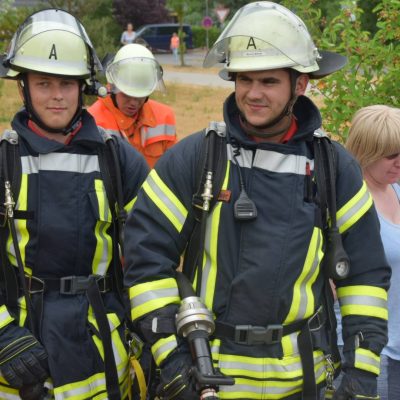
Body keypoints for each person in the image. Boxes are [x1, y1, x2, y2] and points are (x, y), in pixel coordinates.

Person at [123, 2, 390, 399]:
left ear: (300, 84)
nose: (252, 94)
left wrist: (361, 374)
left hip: (305, 380)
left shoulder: (334, 169)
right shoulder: (196, 158)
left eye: (268, 81)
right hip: (209, 379)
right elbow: (146, 260)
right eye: (244, 80)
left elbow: (364, 277)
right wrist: (174, 361)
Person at [0, 9, 148, 399]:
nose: (56, 96)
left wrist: (151, 330)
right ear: (23, 88)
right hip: (22, 352)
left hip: (102, 343)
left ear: (82, 86)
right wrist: (3, 334)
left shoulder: (117, 158)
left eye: (66, 83)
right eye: (43, 83)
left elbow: (152, 251)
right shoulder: (4, 160)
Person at [344, 105, 400, 399]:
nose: (399, 162)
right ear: (366, 150)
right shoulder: (352, 202)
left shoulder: (396, 189)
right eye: (391, 155)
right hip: (371, 352)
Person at [88, 44, 177, 168]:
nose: (133, 103)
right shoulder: (93, 120)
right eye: (127, 95)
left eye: (140, 96)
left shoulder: (165, 117)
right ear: (113, 87)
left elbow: (173, 168)